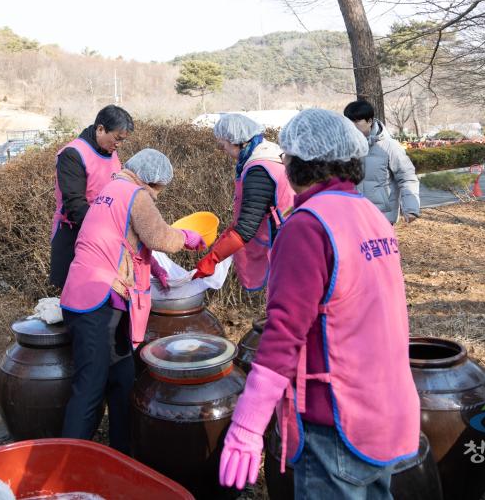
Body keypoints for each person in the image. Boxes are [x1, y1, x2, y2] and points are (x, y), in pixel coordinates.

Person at [219, 109, 419, 499]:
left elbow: (283, 332)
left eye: (287, 158)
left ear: (299, 163)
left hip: (335, 418)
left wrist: (247, 423)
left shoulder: (308, 225)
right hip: (385, 404)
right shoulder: (370, 214)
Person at [59, 148, 207, 454]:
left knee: (123, 381)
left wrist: (151, 266)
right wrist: (188, 237)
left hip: (96, 297)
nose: (157, 197)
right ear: (151, 181)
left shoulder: (111, 189)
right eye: (159, 190)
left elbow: (119, 237)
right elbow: (158, 236)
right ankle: (68, 462)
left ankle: (121, 455)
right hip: (96, 300)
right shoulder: (135, 194)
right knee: (90, 387)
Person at [193, 113, 294, 291]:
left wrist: (214, 258)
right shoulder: (269, 153)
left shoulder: (259, 169)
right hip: (287, 237)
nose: (222, 150)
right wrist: (226, 236)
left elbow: (246, 228)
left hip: (285, 244)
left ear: (236, 140)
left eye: (223, 144)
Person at [50, 105, 134, 289]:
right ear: (100, 129)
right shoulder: (73, 154)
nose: (119, 144)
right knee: (75, 295)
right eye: (117, 138)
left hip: (105, 234)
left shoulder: (110, 151)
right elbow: (74, 204)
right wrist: (104, 230)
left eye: (122, 140)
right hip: (75, 234)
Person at [343, 100, 420, 224]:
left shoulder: (390, 147)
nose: (352, 125)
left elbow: (407, 177)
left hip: (381, 216)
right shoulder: (343, 147)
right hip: (352, 216)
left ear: (370, 121)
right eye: (349, 121)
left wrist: (410, 208)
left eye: (356, 121)